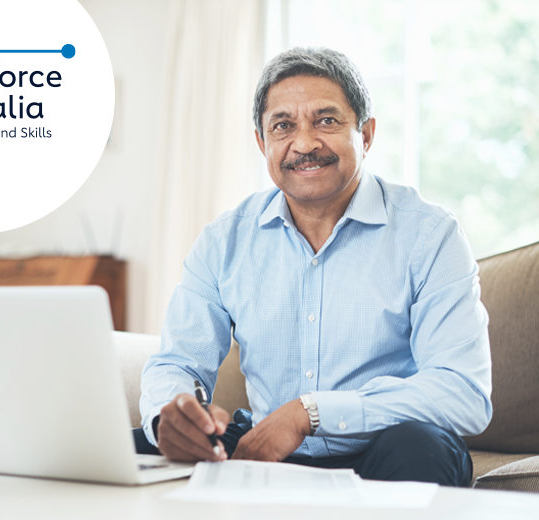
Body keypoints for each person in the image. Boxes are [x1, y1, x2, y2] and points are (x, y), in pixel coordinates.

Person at [133, 47, 492, 487]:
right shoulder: (223, 240)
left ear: (366, 134)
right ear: (263, 143)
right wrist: (173, 413)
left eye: (326, 121)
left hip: (381, 449)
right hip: (264, 449)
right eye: (283, 126)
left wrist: (311, 412)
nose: (304, 144)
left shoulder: (430, 234)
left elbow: (463, 394)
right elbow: (176, 362)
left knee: (423, 448)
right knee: (133, 447)